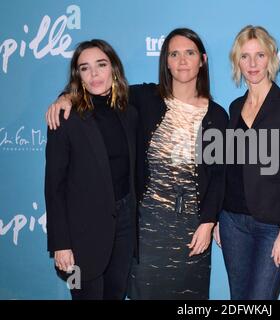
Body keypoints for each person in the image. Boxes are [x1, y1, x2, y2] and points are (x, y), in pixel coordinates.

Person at [46, 28, 228, 300]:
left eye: (189, 53)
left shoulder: (217, 115)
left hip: (189, 229)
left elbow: (218, 175)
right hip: (146, 228)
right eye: (174, 54)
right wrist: (66, 97)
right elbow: (98, 91)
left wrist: (210, 220)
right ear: (165, 61)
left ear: (202, 59)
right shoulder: (145, 100)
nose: (181, 61)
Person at [213, 25, 280, 300]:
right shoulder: (234, 108)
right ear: (236, 61)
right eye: (245, 56)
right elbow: (228, 168)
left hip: (273, 227)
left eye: (259, 55)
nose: (252, 64)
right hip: (232, 222)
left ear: (272, 57)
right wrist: (218, 216)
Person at [45, 39, 138, 300]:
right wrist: (61, 245)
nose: (94, 74)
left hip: (123, 227)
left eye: (101, 65)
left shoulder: (128, 112)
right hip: (80, 234)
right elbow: (55, 186)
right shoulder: (64, 118)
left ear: (114, 69)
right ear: (78, 75)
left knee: (115, 295)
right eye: (85, 68)